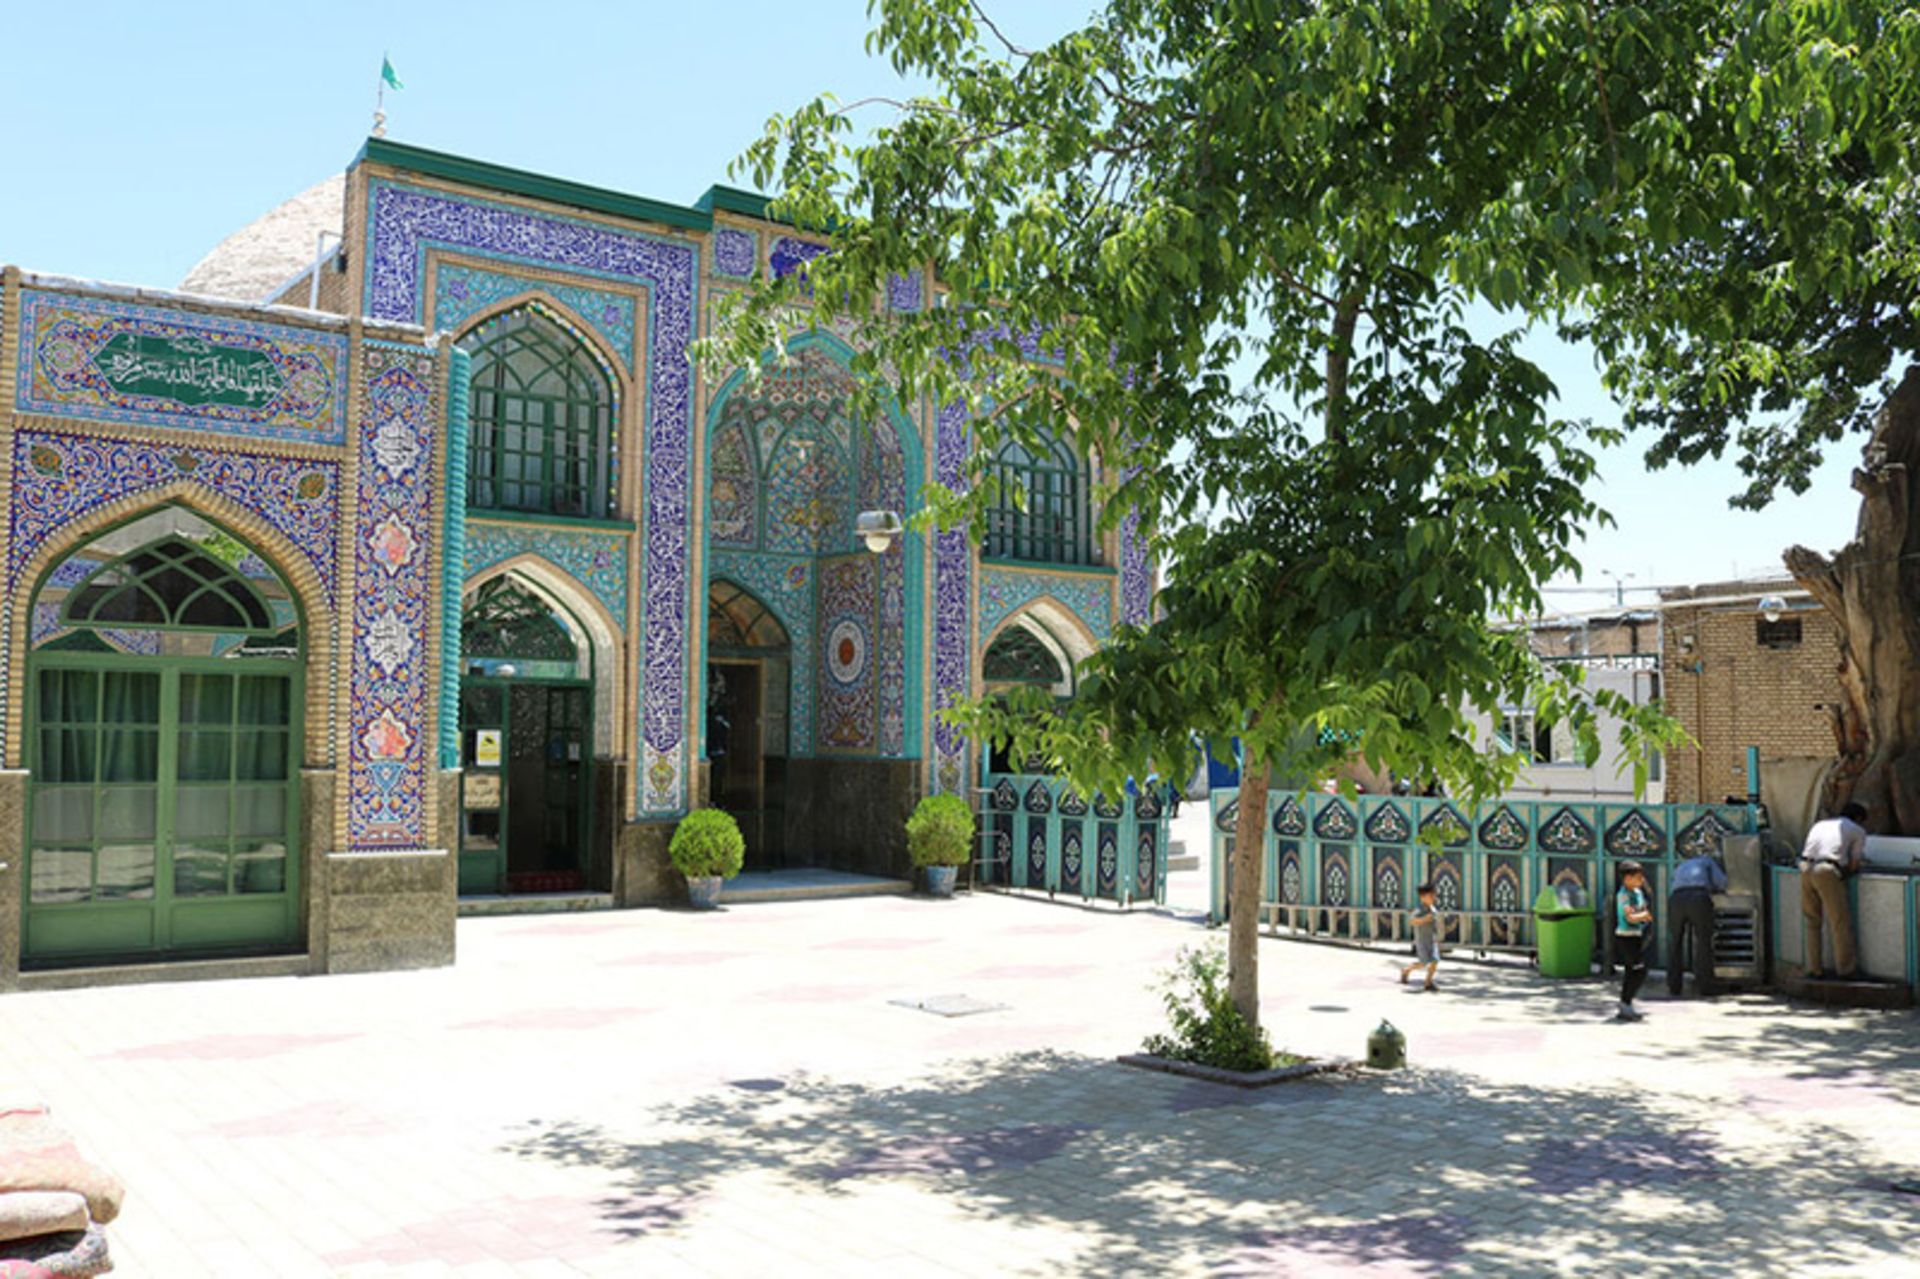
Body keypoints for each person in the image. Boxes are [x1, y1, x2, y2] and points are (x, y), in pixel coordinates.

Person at [1799, 802, 1868, 979]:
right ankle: (1846, 970)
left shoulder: (1820, 824)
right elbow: (1854, 864)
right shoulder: (1857, 831)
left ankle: (1814, 969)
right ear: (1859, 819)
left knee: (1812, 921)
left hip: (1805, 867)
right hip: (1827, 871)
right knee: (1839, 922)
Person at [1667, 850, 1729, 997]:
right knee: (1703, 942)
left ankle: (1674, 986)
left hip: (1676, 899)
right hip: (1698, 898)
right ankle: (1705, 986)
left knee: (1675, 942)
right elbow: (1722, 883)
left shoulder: (1682, 865)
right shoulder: (1708, 862)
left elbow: (1672, 882)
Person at [1613, 861, 1653, 1022]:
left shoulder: (1638, 892)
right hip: (1626, 936)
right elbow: (1630, 916)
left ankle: (1627, 1002)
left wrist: (1643, 916)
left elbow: (1644, 912)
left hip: (1637, 934)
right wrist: (1643, 916)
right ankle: (1625, 1002)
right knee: (1637, 969)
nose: (1641, 879)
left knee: (1635, 970)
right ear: (1627, 878)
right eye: (1637, 877)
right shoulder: (1623, 895)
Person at [1399, 883, 1441, 991]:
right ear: (1422, 897)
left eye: (1434, 895)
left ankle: (1428, 982)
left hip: (1432, 940)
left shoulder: (1433, 909)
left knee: (1435, 960)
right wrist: (1424, 920)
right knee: (1423, 963)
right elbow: (1412, 921)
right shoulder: (1419, 909)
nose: (1433, 898)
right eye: (1430, 896)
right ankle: (1406, 970)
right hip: (1422, 941)